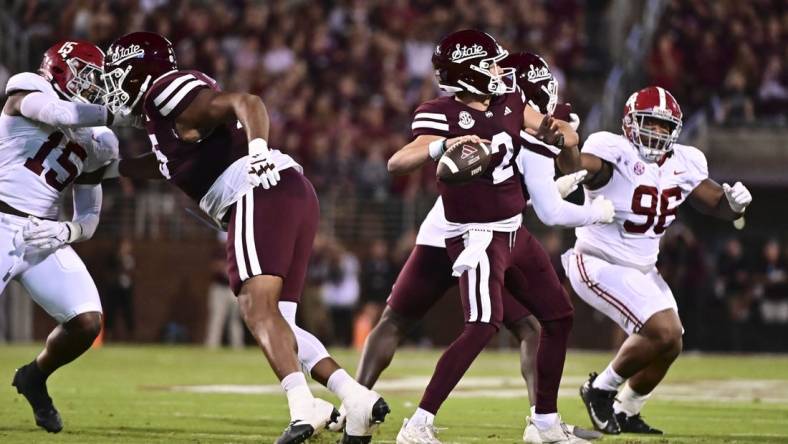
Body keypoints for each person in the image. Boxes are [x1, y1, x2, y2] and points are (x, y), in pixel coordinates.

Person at [99, 32, 388, 444]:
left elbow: (247, 101)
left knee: (255, 307)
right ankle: (355, 398)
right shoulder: (165, 125)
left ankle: (302, 406)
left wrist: (257, 154)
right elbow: (164, 164)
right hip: (288, 191)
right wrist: (105, 170)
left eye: (117, 74)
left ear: (137, 71)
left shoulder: (163, 90)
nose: (113, 84)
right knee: (279, 320)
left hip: (256, 188)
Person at [354, 50, 607, 443]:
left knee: (554, 317)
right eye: (490, 65)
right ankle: (396, 417)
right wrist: (441, 147)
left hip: (511, 231)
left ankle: (544, 423)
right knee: (445, 322)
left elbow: (562, 140)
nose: (499, 72)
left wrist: (562, 135)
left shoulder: (510, 101)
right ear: (469, 73)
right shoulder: (442, 112)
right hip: (470, 233)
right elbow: (398, 161)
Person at [557, 86, 753, 435]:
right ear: (631, 124)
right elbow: (576, 167)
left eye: (664, 126)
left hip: (644, 269)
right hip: (599, 261)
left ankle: (628, 409)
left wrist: (733, 204)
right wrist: (568, 144)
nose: (657, 132)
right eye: (650, 123)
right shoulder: (611, 150)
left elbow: (714, 203)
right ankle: (600, 389)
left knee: (671, 342)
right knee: (663, 329)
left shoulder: (685, 161)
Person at [1, 39, 135, 433]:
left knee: (87, 321)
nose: (97, 87)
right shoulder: (30, 87)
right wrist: (117, 115)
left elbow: (89, 215)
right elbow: (60, 113)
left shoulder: (99, 140)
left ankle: (34, 377)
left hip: (41, 233)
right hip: (1, 217)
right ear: (61, 69)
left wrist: (67, 230)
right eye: (89, 77)